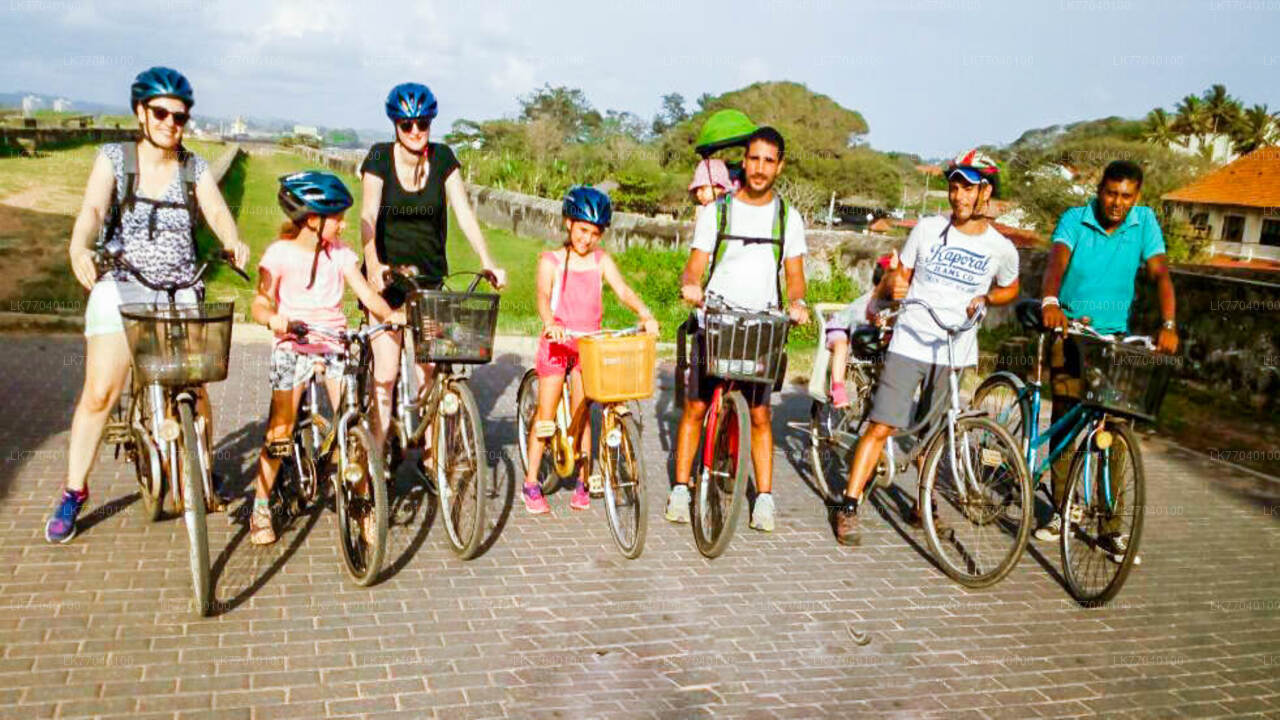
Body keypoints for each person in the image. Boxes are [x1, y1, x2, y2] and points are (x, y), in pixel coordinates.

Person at [46, 66, 250, 544]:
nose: (170, 123)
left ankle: (200, 470)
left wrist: (233, 240)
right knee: (100, 392)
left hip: (180, 287)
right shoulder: (115, 158)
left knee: (196, 386)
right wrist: (80, 247)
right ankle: (74, 491)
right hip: (123, 283)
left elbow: (216, 210)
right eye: (161, 113)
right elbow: (93, 210)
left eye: (180, 116)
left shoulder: (193, 167)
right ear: (141, 112)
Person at [833, 149, 1021, 546]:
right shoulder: (927, 229)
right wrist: (894, 287)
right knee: (883, 424)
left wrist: (988, 298)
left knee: (936, 434)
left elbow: (1011, 287)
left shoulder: (1001, 248)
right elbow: (898, 275)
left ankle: (923, 504)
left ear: (985, 192)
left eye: (967, 188)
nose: (958, 196)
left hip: (955, 350)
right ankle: (848, 504)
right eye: (954, 187)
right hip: (911, 340)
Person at [247, 171, 404, 545]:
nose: (343, 224)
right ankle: (261, 506)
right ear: (312, 220)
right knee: (280, 430)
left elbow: (366, 293)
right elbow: (260, 302)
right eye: (336, 218)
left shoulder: (341, 254)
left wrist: (390, 315)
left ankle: (363, 504)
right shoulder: (279, 254)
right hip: (293, 343)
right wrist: (273, 318)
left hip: (333, 343)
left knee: (352, 427)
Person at [666, 126, 809, 533]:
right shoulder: (719, 211)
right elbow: (695, 265)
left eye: (769, 160)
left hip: (761, 327)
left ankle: (764, 498)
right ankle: (681, 488)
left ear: (779, 166)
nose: (760, 168)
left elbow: (794, 275)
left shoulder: (788, 217)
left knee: (760, 415)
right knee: (696, 407)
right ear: (744, 162)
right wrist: (691, 285)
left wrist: (798, 303)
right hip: (716, 320)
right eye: (754, 159)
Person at [1034, 159, 1178, 550]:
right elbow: (1057, 260)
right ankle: (1062, 510)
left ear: (1137, 196)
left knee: (1113, 428)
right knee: (1065, 420)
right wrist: (1050, 301)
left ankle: (1110, 527)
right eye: (1111, 193)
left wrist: (1168, 324)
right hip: (1071, 329)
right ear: (1100, 190)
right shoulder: (1075, 218)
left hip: (1113, 338)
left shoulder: (1144, 223)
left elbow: (1160, 273)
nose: (1117, 203)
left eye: (1126, 196)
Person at [359, 82, 507, 456]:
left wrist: (487, 259)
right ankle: (372, 467)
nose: (415, 131)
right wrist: (373, 263)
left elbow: (465, 214)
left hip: (428, 280)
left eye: (422, 123)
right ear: (395, 125)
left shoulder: (443, 159)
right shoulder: (378, 157)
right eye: (407, 125)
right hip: (387, 280)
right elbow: (368, 215)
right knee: (386, 374)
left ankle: (431, 454)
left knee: (429, 368)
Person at [522, 186, 659, 514]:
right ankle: (531, 482)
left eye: (595, 233)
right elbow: (542, 297)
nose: (587, 239)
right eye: (583, 230)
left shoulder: (601, 261)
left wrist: (645, 314)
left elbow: (623, 290)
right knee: (545, 416)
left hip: (587, 345)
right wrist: (551, 321)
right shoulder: (551, 261)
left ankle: (583, 482)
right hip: (558, 343)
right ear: (568, 223)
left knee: (583, 415)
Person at [826, 253, 893, 409]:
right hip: (841, 327)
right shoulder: (871, 300)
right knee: (841, 346)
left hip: (868, 332)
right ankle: (838, 388)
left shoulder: (894, 301)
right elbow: (856, 324)